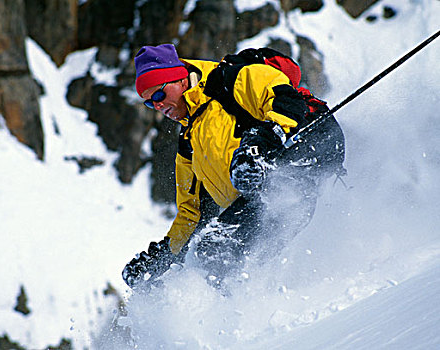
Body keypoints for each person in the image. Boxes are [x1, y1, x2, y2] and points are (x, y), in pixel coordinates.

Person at [122, 43, 345, 290]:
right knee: (209, 253)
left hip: (301, 163)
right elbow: (191, 212)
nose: (159, 106)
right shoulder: (189, 139)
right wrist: (160, 258)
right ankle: (253, 313)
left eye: (159, 95)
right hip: (259, 199)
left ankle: (245, 314)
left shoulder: (231, 79)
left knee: (214, 252)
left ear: (181, 80)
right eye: (150, 103)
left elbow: (286, 101)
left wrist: (256, 146)